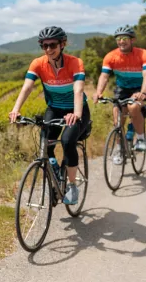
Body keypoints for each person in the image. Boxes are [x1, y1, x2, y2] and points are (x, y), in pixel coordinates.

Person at [9, 26, 90, 205]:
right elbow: (27, 87)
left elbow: (78, 89)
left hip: (77, 110)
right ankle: (54, 172)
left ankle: (72, 186)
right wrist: (16, 109)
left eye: (52, 45)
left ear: (63, 44)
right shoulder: (38, 64)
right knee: (45, 145)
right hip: (54, 108)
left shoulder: (75, 62)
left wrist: (76, 114)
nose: (48, 49)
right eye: (44, 46)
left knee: (68, 141)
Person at [93, 25, 146, 163]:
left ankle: (140, 138)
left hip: (139, 88)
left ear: (132, 40)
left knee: (133, 107)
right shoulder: (111, 56)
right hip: (122, 88)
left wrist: (142, 92)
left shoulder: (142, 54)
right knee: (117, 120)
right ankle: (119, 148)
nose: (121, 41)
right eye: (118, 39)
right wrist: (99, 92)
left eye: (125, 38)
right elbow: (104, 76)